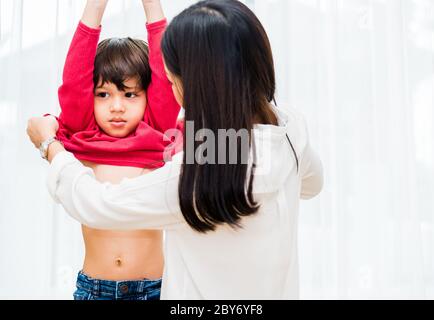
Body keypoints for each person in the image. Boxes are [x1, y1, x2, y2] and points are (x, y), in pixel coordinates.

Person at [28, 0, 323, 299]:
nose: (169, 88)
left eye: (171, 80)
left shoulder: (192, 174)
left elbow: (98, 204)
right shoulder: (290, 132)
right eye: (104, 94)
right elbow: (312, 184)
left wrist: (48, 145)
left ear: (196, 85)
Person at [43, 0, 181, 300]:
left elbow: (163, 76)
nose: (116, 106)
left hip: (154, 290)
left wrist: (152, 6)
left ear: (148, 97)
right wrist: (95, 6)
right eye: (103, 94)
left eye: (130, 94)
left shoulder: (157, 133)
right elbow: (75, 78)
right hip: (95, 290)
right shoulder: (84, 134)